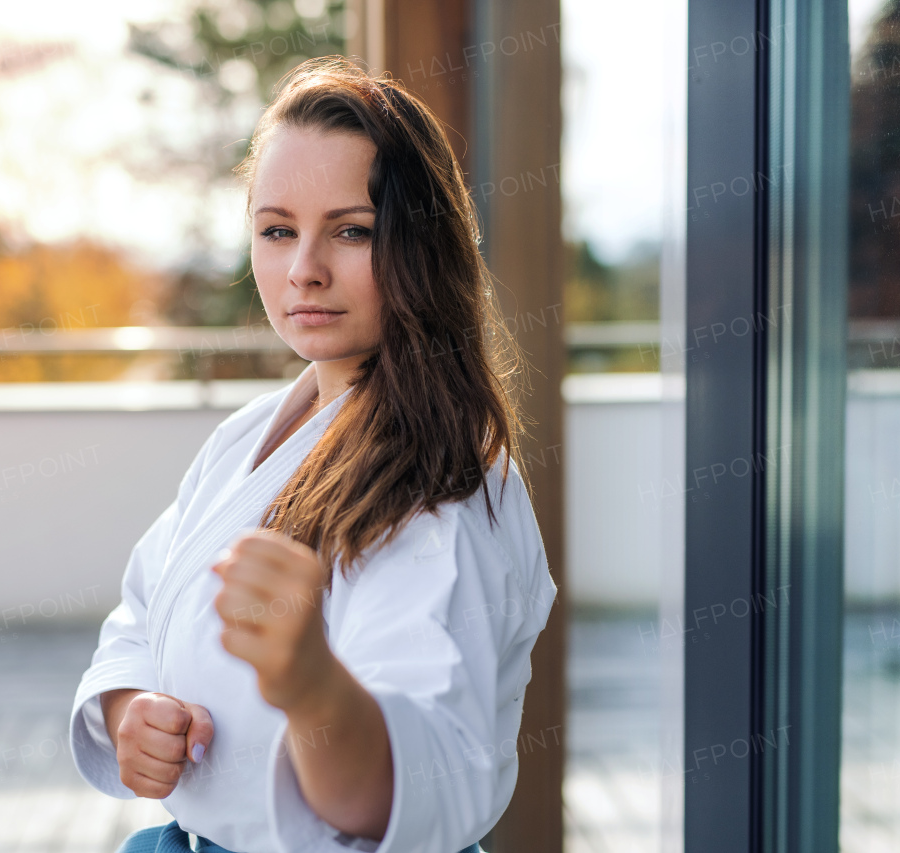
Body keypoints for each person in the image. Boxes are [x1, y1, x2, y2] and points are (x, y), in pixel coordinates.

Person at [69, 55, 558, 853]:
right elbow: (142, 610)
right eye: (277, 230)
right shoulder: (250, 435)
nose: (304, 270)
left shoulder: (444, 491)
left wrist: (309, 681)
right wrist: (131, 711)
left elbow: (412, 789)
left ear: (421, 245)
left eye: (352, 231)